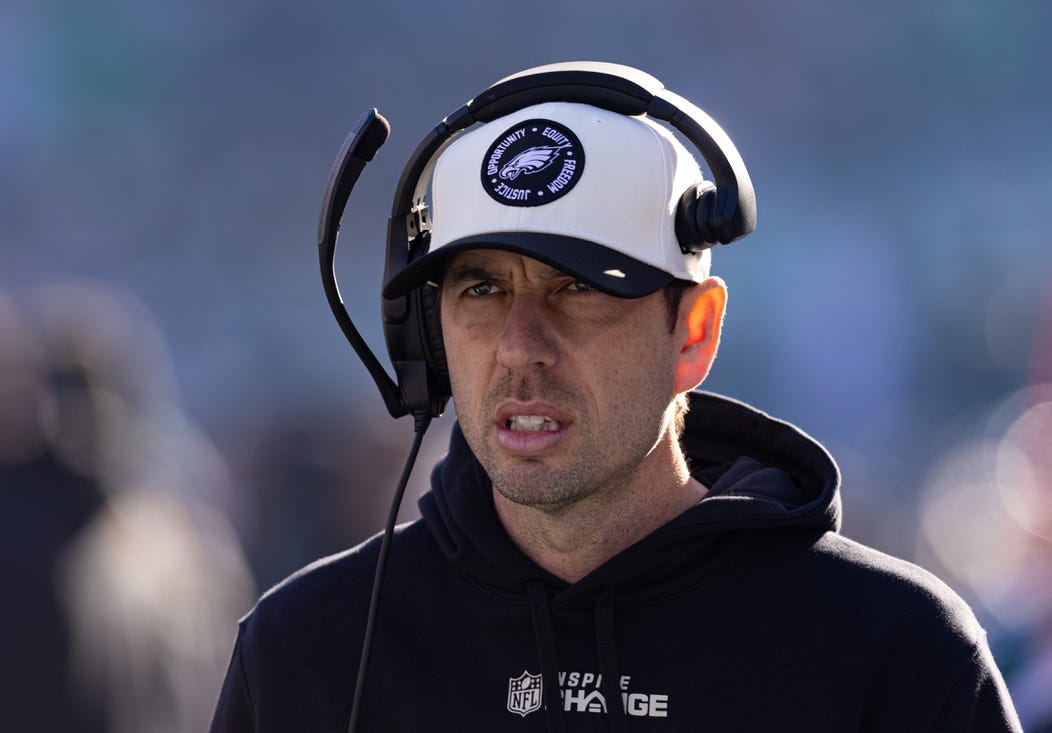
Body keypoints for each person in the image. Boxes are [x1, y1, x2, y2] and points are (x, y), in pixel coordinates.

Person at [211, 63, 1021, 731]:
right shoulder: (305, 654)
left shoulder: (901, 655)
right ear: (426, 334)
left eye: (579, 288)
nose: (520, 346)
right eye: (482, 289)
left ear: (694, 334)